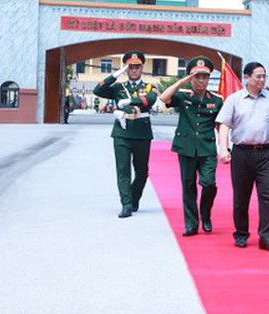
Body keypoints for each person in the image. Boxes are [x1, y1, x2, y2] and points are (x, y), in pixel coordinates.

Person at [216, 62, 269, 251]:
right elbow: (224, 125)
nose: (262, 80)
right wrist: (224, 149)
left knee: (267, 195)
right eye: (258, 76)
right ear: (247, 77)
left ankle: (266, 236)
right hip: (242, 153)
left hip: (265, 153)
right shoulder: (234, 99)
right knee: (241, 197)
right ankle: (241, 233)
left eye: (264, 76)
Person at [159, 57, 224, 237]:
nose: (201, 81)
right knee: (188, 186)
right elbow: (164, 97)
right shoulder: (183, 96)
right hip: (186, 147)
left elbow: (222, 124)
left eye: (204, 77)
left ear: (209, 79)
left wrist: (225, 146)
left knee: (209, 183)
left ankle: (206, 214)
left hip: (207, 148)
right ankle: (191, 224)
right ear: (191, 78)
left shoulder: (217, 101)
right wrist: (182, 81)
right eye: (197, 77)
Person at [93, 51, 158, 218]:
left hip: (142, 133)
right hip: (121, 132)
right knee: (123, 170)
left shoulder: (150, 87)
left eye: (137, 67)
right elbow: (97, 90)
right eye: (131, 67)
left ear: (142, 68)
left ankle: (134, 198)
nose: (134, 70)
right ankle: (126, 204)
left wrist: (130, 101)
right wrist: (115, 75)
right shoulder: (118, 87)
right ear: (126, 69)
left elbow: (150, 100)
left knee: (142, 171)